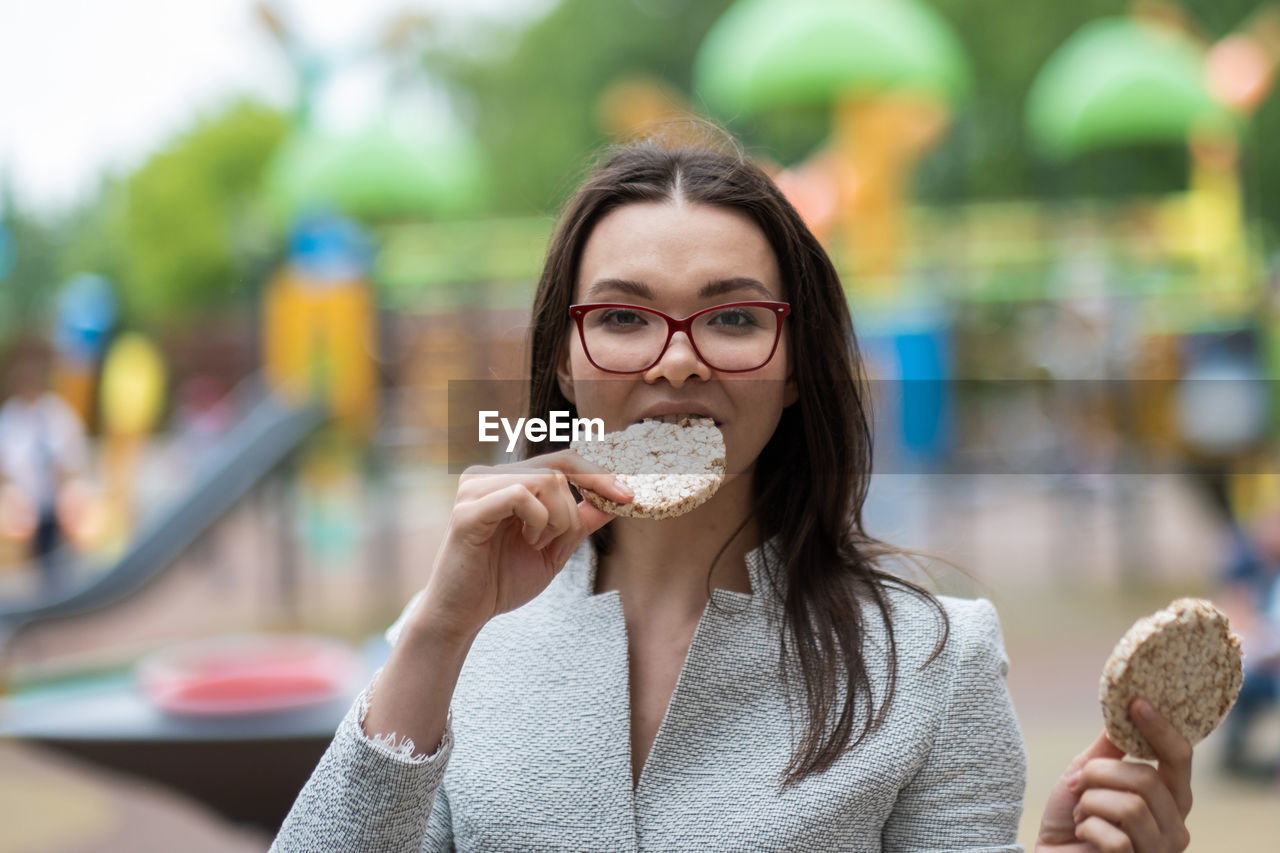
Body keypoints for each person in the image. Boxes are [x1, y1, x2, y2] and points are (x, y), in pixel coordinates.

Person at [273, 136, 1195, 851]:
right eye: (624, 317)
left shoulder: (935, 660)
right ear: (562, 354)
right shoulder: (447, 642)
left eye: (736, 318)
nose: (677, 359)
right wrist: (439, 627)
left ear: (796, 367)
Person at [0, 347, 91, 594]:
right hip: (28, 504)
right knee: (37, 562)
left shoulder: (55, 412)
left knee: (62, 559)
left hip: (57, 501)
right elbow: (6, 464)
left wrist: (70, 491)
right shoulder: (10, 416)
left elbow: (73, 454)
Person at [1217, 507, 1280, 779]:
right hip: (1256, 659)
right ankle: (1234, 754)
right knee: (1230, 676)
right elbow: (1232, 611)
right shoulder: (1250, 567)